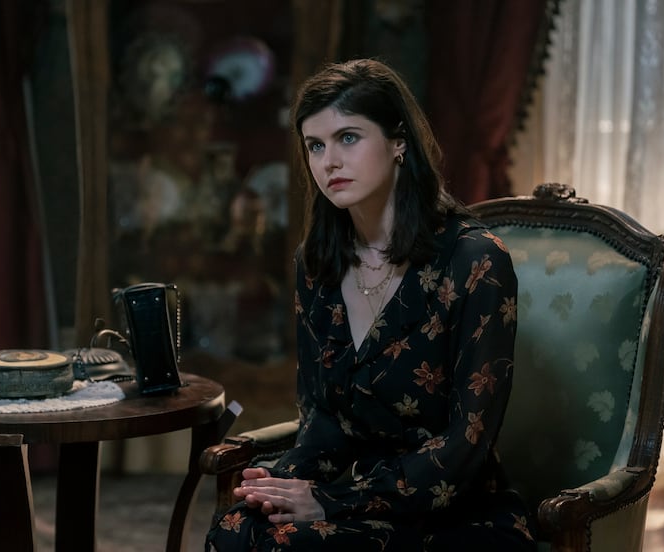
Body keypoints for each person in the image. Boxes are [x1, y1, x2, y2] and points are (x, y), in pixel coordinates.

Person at [205, 58, 536, 551]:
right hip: (354, 501)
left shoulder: (476, 260)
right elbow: (322, 419)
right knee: (237, 529)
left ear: (398, 142)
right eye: (315, 145)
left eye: (348, 138)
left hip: (456, 512)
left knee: (292, 546)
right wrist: (281, 487)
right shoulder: (317, 263)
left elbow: (465, 446)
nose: (329, 162)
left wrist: (330, 501)